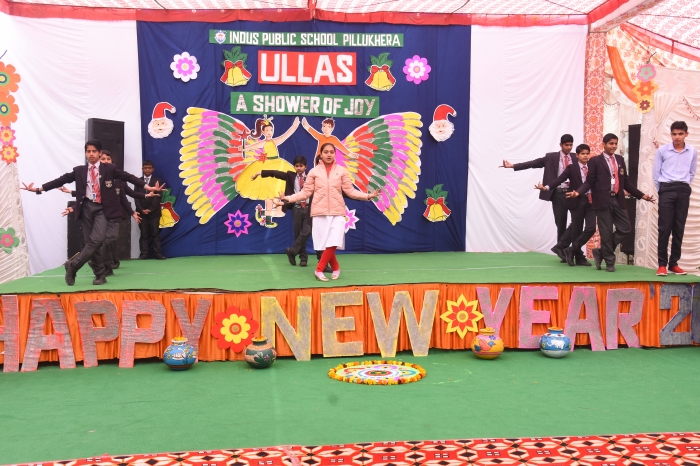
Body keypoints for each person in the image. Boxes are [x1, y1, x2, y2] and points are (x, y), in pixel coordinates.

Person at [21, 139, 162, 286]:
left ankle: (73, 265)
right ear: (85, 153)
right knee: (91, 243)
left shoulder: (109, 169)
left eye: (94, 151)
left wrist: (148, 187)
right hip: (86, 208)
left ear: (99, 153)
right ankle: (100, 275)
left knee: (97, 240)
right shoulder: (79, 171)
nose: (91, 154)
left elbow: (128, 177)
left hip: (102, 209)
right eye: (88, 151)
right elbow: (60, 180)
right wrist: (38, 189)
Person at [277, 143, 380, 281]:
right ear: (321, 154)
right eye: (326, 152)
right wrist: (288, 199)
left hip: (338, 212)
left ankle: (319, 270)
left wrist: (367, 196)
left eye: (332, 152)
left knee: (334, 241)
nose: (329, 154)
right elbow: (305, 192)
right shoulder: (314, 172)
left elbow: (350, 191)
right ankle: (336, 268)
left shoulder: (341, 171)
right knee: (325, 244)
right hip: (319, 213)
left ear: (335, 154)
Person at [59, 150, 155, 275]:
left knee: (110, 239)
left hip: (114, 215)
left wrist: (136, 208)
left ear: (112, 161)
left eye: (108, 159)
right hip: (99, 214)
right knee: (100, 241)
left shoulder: (119, 179)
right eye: (103, 159)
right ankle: (106, 267)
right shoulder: (95, 177)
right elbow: (88, 195)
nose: (106, 161)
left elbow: (126, 196)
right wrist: (73, 206)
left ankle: (97, 261)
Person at [569, 133, 655, 272]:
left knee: (625, 228)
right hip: (602, 201)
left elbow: (626, 182)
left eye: (615, 143)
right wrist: (578, 192)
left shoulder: (620, 159)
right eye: (611, 143)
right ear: (603, 144)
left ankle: (601, 251)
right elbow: (589, 181)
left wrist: (641, 195)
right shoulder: (595, 161)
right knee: (606, 232)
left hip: (618, 199)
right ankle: (609, 261)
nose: (614, 146)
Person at [501, 135, 576, 261]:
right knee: (561, 223)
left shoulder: (576, 157)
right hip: (558, 194)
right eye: (566, 145)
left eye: (571, 145)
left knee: (577, 223)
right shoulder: (551, 157)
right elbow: (533, 163)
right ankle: (563, 252)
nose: (569, 147)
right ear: (560, 145)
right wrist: (513, 166)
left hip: (574, 194)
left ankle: (571, 249)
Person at [252, 155, 327, 269]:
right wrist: (259, 173)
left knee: (307, 231)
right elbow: (275, 173)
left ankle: (292, 251)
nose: (299, 168)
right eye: (296, 166)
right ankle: (303, 259)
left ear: (306, 167)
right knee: (298, 233)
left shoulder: (312, 177)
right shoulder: (290, 176)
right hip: (296, 207)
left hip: (309, 208)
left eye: (301, 166)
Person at [535, 144, 595, 266]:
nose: (585, 156)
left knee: (591, 228)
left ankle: (571, 249)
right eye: (582, 154)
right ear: (577, 155)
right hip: (576, 200)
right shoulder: (572, 168)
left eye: (587, 153)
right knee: (577, 230)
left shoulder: (593, 167)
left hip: (590, 201)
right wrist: (546, 188)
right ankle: (578, 257)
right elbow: (560, 179)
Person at [236, 115, 300, 228]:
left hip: (277, 166)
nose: (269, 132)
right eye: (267, 130)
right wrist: (244, 149)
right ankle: (267, 219)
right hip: (267, 166)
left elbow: (286, 135)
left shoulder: (275, 141)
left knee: (276, 194)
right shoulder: (264, 142)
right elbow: (253, 146)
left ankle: (266, 215)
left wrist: (294, 127)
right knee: (268, 194)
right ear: (263, 132)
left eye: (271, 130)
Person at [652, 121, 697, 276]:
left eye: (680, 134)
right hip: (666, 188)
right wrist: (662, 190)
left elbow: (692, 172)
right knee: (664, 228)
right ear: (671, 134)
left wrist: (684, 186)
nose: (677, 137)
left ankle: (674, 263)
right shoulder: (663, 150)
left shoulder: (692, 151)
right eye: (674, 134)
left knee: (679, 227)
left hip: (683, 189)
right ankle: (662, 264)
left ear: (686, 134)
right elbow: (656, 173)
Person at [135, 160, 165, 260]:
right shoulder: (138, 181)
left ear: (152, 169)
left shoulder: (158, 181)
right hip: (141, 212)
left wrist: (150, 209)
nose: (147, 170)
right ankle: (143, 254)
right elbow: (136, 196)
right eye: (145, 168)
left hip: (154, 212)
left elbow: (158, 197)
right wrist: (141, 209)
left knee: (155, 233)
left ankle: (158, 253)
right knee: (143, 234)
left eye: (149, 168)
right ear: (142, 169)